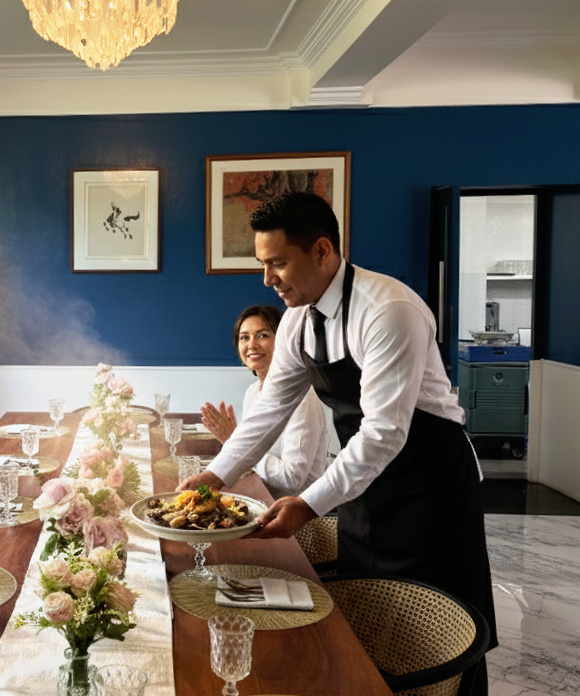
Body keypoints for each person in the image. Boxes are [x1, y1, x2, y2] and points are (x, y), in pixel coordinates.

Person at [179, 191, 496, 693]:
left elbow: (384, 432)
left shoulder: (388, 309)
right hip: (365, 483)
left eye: (278, 263)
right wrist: (216, 475)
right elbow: (267, 412)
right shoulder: (300, 322)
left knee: (440, 624)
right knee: (367, 615)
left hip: (428, 483)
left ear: (322, 251)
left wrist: (308, 502)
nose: (268, 280)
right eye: (263, 265)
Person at [200, 305, 329, 499]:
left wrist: (234, 443)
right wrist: (236, 448)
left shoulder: (303, 397)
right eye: (244, 337)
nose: (251, 345)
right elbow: (250, 460)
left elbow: (292, 478)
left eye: (262, 336)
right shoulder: (253, 392)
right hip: (259, 497)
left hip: (294, 515)